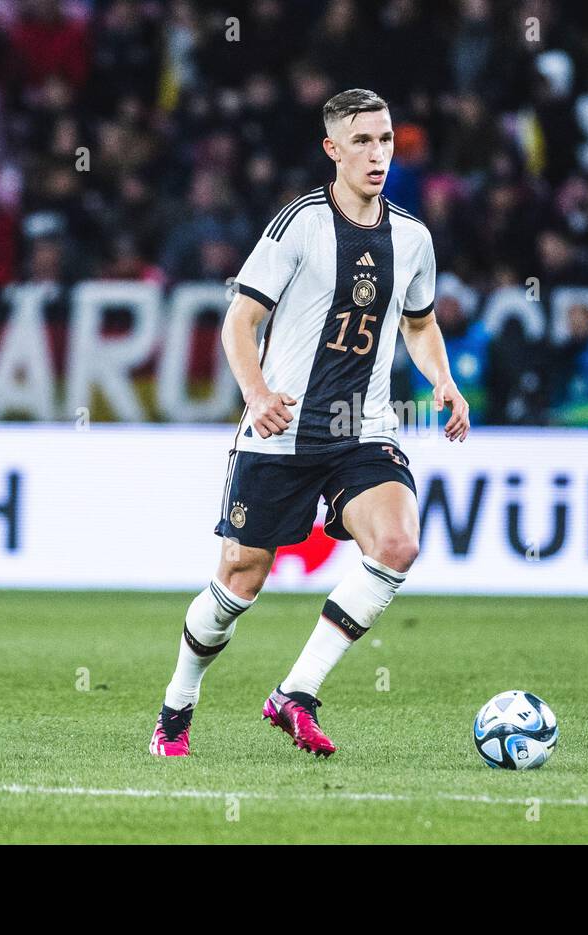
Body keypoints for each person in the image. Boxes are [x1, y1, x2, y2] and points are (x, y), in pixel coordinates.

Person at [150, 89, 470, 758]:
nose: (377, 153)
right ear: (332, 149)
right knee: (239, 583)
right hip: (282, 430)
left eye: (385, 139)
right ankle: (177, 708)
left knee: (398, 544)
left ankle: (295, 692)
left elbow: (420, 323)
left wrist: (442, 377)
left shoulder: (412, 238)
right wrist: (258, 390)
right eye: (362, 141)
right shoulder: (298, 224)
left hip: (363, 429)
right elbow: (241, 319)